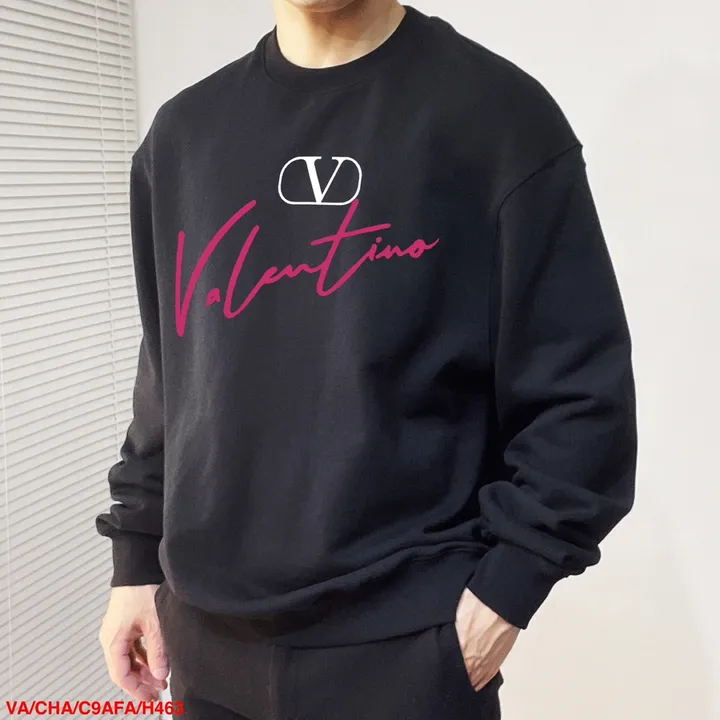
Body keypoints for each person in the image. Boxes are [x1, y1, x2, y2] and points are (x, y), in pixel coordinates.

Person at [95, 1, 638, 718]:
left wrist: (507, 591)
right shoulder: (183, 136)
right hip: (207, 646)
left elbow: (582, 394)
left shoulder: (498, 119)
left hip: (407, 651)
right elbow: (171, 376)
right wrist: (136, 561)